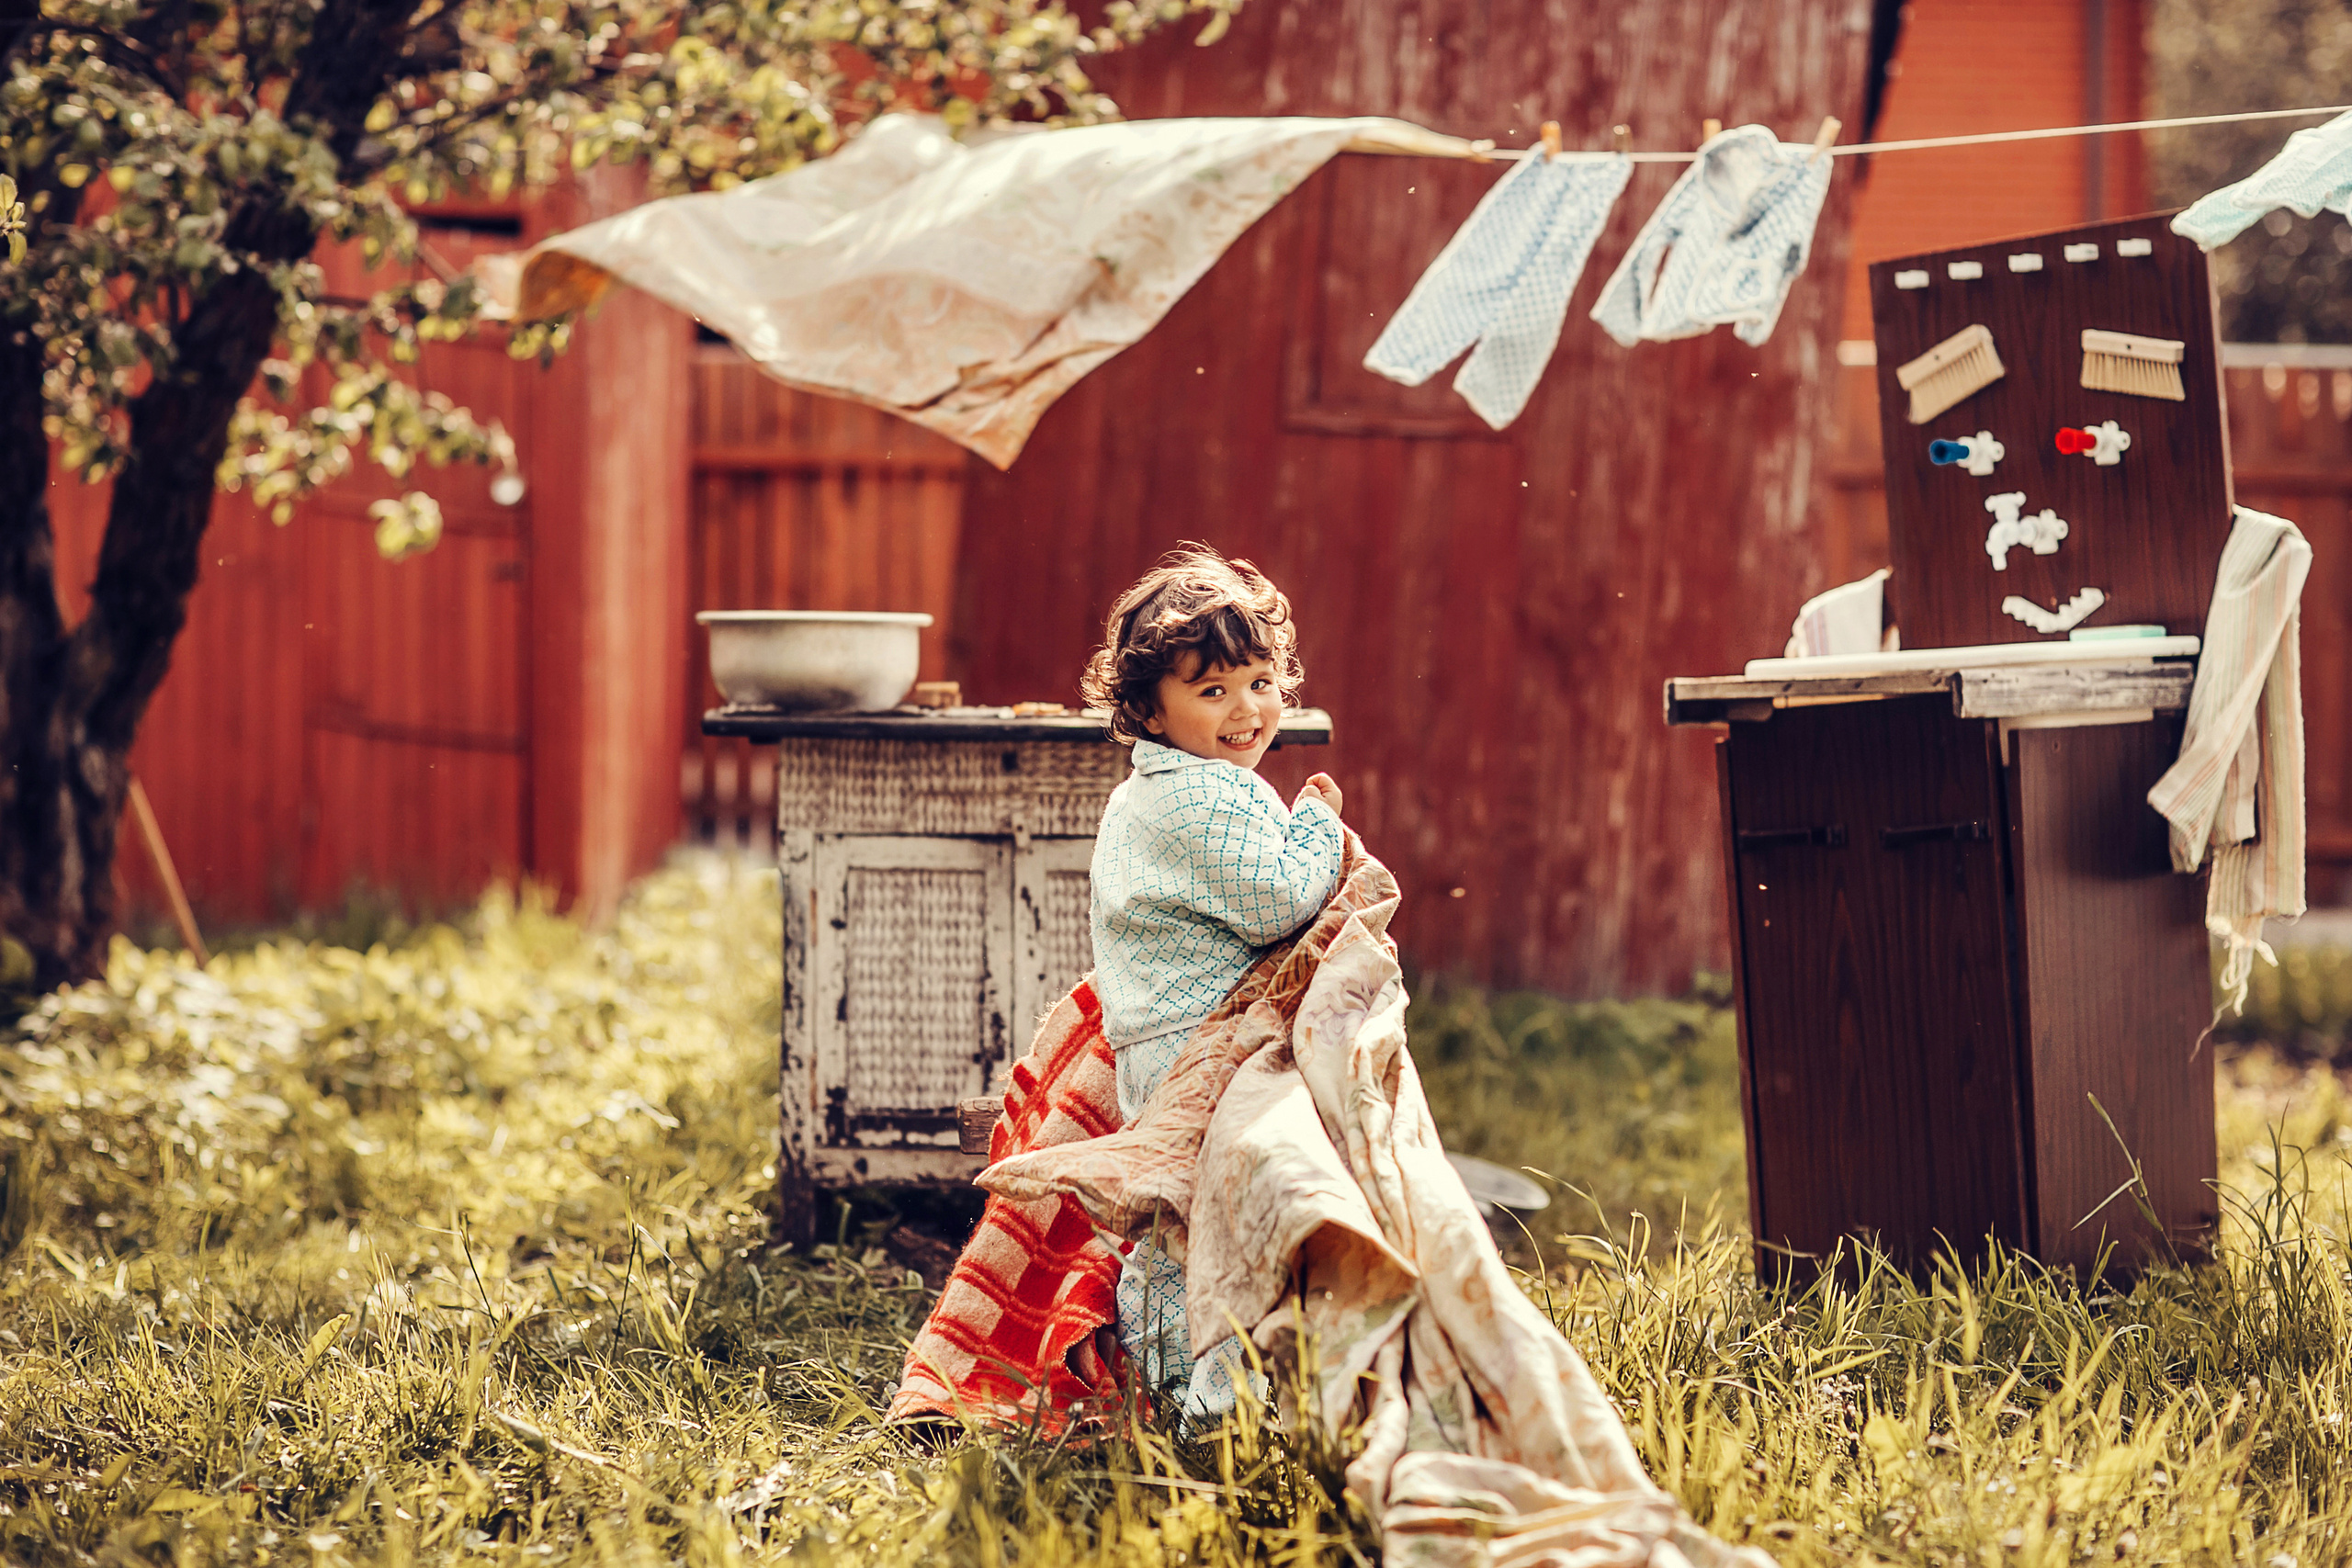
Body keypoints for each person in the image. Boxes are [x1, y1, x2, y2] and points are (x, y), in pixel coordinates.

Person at [1078, 546, 1346, 1423]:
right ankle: (1219, 1402)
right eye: (1213, 689)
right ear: (1149, 709)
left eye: (1261, 681)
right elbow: (1280, 900)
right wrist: (1319, 823)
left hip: (1162, 1044)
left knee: (1180, 1218)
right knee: (1230, 1212)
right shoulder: (1200, 800)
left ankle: (1165, 1376)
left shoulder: (1157, 790)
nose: (1247, 709)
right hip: (1206, 1048)